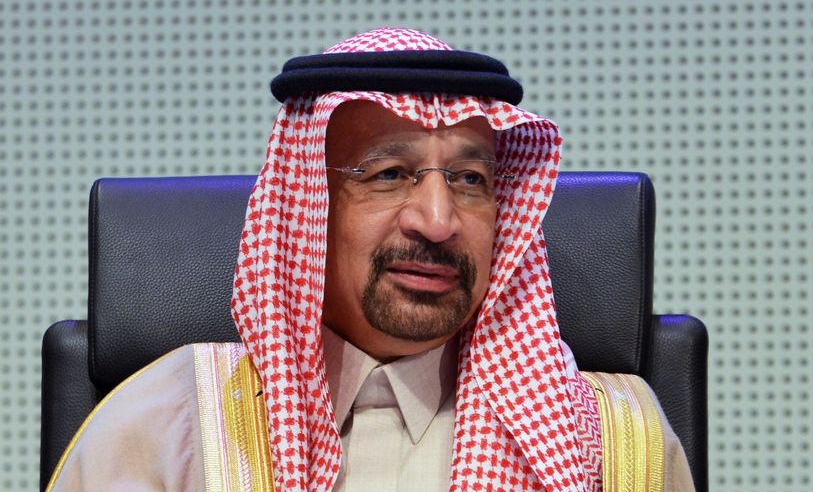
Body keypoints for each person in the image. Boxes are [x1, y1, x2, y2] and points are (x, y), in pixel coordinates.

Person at [45, 28, 695, 492]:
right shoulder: (162, 428)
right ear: (306, 205)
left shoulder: (614, 442)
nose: (438, 221)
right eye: (388, 174)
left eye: (471, 180)